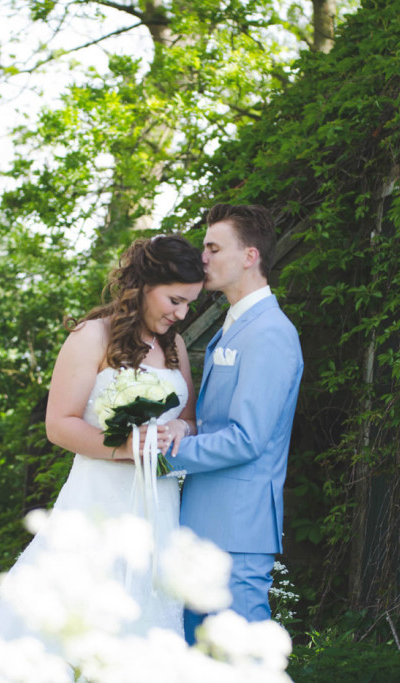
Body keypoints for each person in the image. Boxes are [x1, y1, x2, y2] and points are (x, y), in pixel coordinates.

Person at [0, 235, 205, 659]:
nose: (181, 314)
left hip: (159, 504)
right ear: (144, 286)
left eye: (189, 304)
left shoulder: (173, 346)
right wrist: (126, 446)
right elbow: (58, 425)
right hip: (98, 499)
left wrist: (178, 428)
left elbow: (189, 419)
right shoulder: (91, 336)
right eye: (175, 300)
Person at [165, 204, 303, 644]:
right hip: (207, 524)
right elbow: (213, 421)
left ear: (249, 256)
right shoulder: (236, 326)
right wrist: (185, 429)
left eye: (213, 248)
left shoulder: (270, 332)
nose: (202, 257)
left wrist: (161, 454)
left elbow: (246, 439)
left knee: (242, 661)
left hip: (237, 529)